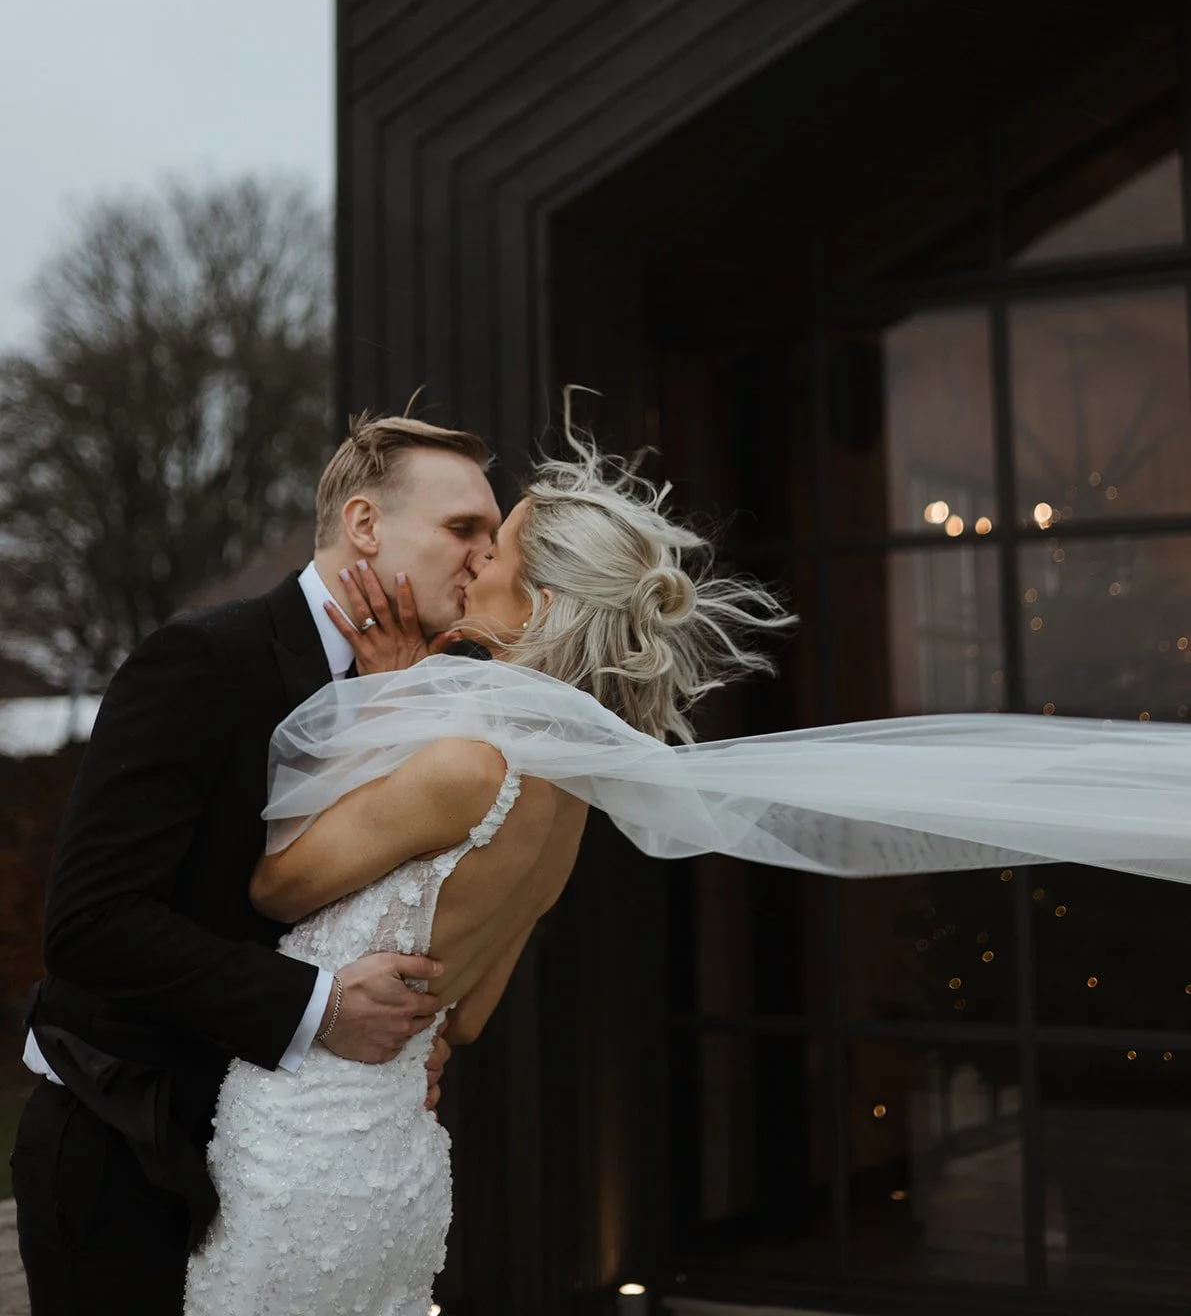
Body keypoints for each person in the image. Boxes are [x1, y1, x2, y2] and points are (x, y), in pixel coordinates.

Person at [186, 410, 1191, 1316]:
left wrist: (385, 696)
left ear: (534, 609)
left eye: (495, 550)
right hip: (397, 1152)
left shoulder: (453, 761)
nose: (474, 557)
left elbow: (273, 884)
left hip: (306, 1139)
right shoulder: (568, 794)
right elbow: (470, 1013)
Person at [13, 410, 502, 1316]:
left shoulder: (429, 694)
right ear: (364, 525)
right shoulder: (200, 661)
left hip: (301, 1168)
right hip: (132, 1146)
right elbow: (89, 924)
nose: (481, 557)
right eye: (461, 529)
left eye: (492, 537)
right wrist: (320, 1010)